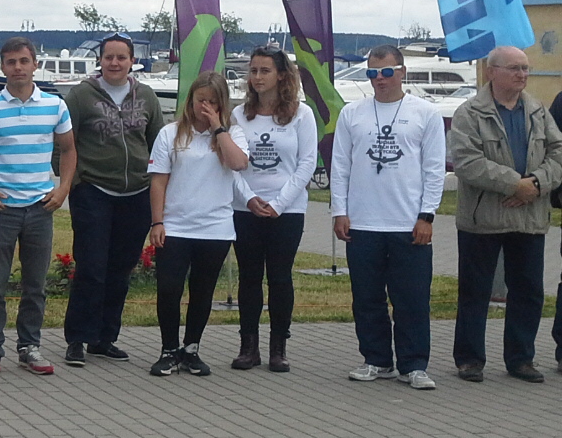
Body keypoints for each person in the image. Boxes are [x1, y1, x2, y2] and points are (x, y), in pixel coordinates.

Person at [331, 45, 446, 389]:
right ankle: (377, 360)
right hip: (363, 222)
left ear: (402, 72)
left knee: (412, 298)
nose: (379, 79)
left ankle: (414, 364)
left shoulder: (425, 113)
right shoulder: (352, 113)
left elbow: (434, 169)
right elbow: (340, 166)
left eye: (385, 72)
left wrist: (427, 215)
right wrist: (339, 211)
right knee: (367, 298)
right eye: (372, 73)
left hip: (408, 222)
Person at [448, 46, 562, 383]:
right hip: (483, 220)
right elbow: (467, 162)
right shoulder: (469, 113)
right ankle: (469, 359)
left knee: (528, 291)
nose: (522, 75)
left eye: (525, 68)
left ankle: (521, 359)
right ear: (491, 71)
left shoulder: (538, 111)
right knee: (475, 291)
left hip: (529, 218)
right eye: (514, 68)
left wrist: (536, 184)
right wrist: (515, 184)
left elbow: (558, 152)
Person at [0, 36, 74, 377]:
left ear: (35, 65)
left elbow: (69, 150)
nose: (18, 68)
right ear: (3, 66)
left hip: (41, 207)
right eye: (11, 62)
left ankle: (29, 346)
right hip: (2, 208)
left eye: (24, 61)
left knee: (35, 284)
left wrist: (63, 189)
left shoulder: (55, 106)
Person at [61, 33, 164, 365]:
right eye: (109, 57)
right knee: (91, 267)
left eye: (122, 57)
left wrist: (158, 184)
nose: (115, 63)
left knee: (121, 269)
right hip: (93, 190)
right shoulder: (81, 96)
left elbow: (158, 144)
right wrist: (71, 182)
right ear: (100, 60)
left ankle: (105, 338)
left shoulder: (147, 96)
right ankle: (78, 337)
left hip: (136, 194)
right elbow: (63, 143)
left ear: (132, 61)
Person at [146, 72, 249, 376]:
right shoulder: (170, 134)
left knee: (202, 291)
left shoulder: (233, 134)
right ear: (190, 100)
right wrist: (157, 221)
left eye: (212, 102)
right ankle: (168, 349)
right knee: (169, 288)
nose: (205, 107)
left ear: (222, 104)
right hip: (176, 226)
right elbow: (158, 181)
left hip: (215, 228)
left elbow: (239, 163)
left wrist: (218, 128)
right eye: (200, 100)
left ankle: (191, 348)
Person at [229, 46, 319, 372]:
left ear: (281, 75)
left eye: (265, 71)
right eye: (253, 71)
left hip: (287, 210)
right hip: (246, 208)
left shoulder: (301, 115)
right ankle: (248, 346)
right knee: (249, 277)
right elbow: (232, 162)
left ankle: (278, 348)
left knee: (280, 277)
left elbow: (307, 163)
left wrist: (280, 204)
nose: (257, 77)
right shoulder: (239, 115)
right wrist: (249, 199)